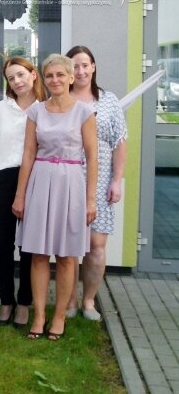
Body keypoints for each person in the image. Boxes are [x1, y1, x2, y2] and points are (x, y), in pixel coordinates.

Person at [13, 54, 98, 341]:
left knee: (65, 256)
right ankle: (38, 315)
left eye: (61, 75)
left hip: (71, 184)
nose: (55, 80)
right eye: (50, 76)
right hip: (40, 180)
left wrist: (90, 200)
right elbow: (28, 154)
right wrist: (20, 195)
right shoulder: (36, 112)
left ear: (72, 77)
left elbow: (93, 157)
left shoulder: (84, 112)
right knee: (38, 254)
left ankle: (60, 315)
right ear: (43, 79)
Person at [0, 57, 46, 327]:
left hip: (35, 179)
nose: (17, 81)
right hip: (3, 179)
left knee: (29, 246)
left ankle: (25, 303)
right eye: (11, 78)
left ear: (33, 75)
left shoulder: (46, 110)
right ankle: (7, 301)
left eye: (20, 75)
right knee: (3, 245)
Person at [66, 45, 128, 322]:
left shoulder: (108, 101)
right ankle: (69, 301)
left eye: (84, 65)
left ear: (93, 67)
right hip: (66, 178)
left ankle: (89, 301)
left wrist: (117, 180)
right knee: (68, 246)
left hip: (100, 181)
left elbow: (120, 142)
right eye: (74, 66)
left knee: (96, 245)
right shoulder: (60, 98)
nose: (80, 71)